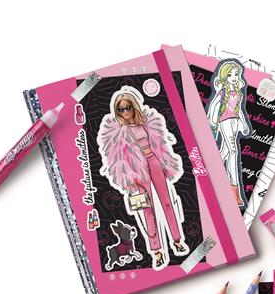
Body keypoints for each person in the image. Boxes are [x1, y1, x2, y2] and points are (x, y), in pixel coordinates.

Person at [97, 86, 189, 270]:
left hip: (154, 162)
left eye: (127, 107)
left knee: (167, 202)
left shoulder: (147, 123)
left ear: (134, 106)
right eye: (120, 109)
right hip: (137, 171)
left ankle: (177, 240)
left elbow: (159, 144)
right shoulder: (118, 132)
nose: (125, 112)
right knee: (147, 209)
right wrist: (128, 176)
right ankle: (156, 250)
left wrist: (164, 162)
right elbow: (118, 158)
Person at [206, 59, 251, 207]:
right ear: (225, 76)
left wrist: (244, 125)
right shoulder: (223, 91)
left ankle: (209, 176)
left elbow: (240, 111)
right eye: (230, 74)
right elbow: (213, 106)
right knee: (233, 152)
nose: (234, 77)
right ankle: (234, 193)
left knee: (224, 152)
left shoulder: (239, 93)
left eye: (236, 74)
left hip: (235, 123)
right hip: (224, 122)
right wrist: (212, 123)